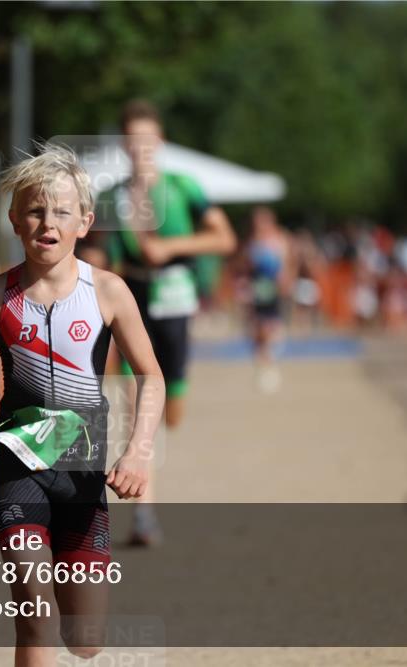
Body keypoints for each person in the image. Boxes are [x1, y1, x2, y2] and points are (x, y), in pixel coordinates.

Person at [0, 144, 165, 666]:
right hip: (16, 465)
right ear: (14, 220)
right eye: (35, 211)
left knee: (85, 639)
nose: (47, 222)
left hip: (82, 471)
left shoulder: (108, 292)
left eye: (61, 211)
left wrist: (138, 451)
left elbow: (151, 375)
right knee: (35, 613)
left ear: (85, 221)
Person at [89, 99, 237, 545]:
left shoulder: (183, 188)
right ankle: (144, 515)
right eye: (132, 141)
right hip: (131, 300)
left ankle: (166, 415)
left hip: (175, 301)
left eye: (148, 140)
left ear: (161, 142)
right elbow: (96, 250)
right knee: (137, 407)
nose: (141, 149)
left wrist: (171, 248)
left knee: (171, 412)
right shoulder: (110, 197)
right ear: (123, 145)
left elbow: (224, 238)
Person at [245, 206, 292, 393]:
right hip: (258, 288)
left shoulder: (279, 239)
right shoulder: (253, 241)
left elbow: (285, 264)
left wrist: (285, 281)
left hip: (272, 289)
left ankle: (269, 362)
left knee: (269, 326)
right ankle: (264, 361)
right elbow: (248, 266)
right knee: (257, 328)